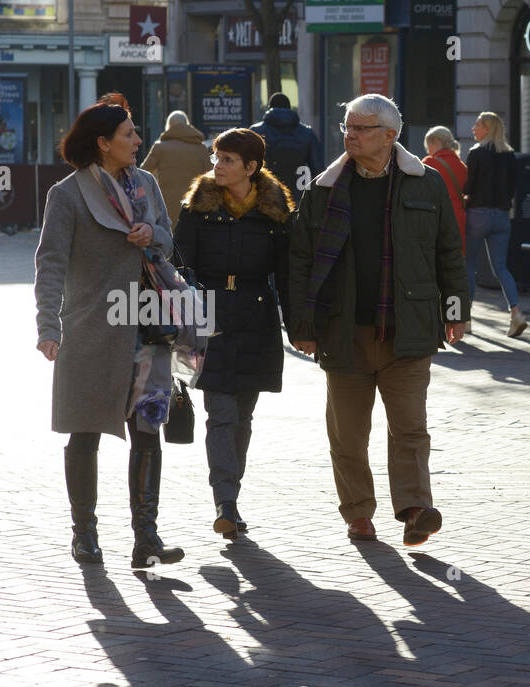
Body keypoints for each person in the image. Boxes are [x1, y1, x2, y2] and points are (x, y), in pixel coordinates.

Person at [288, 94, 468, 546]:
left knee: (410, 428)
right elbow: (300, 261)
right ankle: (358, 513)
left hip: (408, 330)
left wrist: (456, 311)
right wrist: (302, 328)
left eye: (362, 128)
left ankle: (414, 509)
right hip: (342, 330)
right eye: (347, 126)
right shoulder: (324, 188)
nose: (350, 135)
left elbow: (449, 251)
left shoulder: (426, 183)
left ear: (390, 135)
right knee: (349, 435)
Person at [34, 93, 186, 568]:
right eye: (129, 134)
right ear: (103, 143)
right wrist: (47, 324)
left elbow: (167, 235)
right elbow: (50, 263)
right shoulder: (66, 194)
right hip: (91, 329)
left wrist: (151, 235)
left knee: (147, 431)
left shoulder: (146, 184)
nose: (138, 141)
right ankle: (85, 534)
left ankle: (147, 536)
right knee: (85, 433)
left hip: (146, 326)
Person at [174, 127, 293, 538]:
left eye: (226, 159)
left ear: (251, 167)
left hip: (257, 320)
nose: (217, 165)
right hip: (210, 319)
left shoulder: (275, 214)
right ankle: (225, 501)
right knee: (221, 414)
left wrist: (301, 327)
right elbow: (178, 268)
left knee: (243, 416)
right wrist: (177, 324)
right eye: (216, 158)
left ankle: (231, 495)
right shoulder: (197, 207)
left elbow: (288, 274)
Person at [463, 111, 528, 337]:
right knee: (501, 267)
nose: (473, 128)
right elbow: (512, 188)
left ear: (487, 129)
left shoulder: (476, 153)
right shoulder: (510, 156)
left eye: (477, 124)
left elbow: (468, 187)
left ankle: (466, 319)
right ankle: (516, 312)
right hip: (502, 216)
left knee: (469, 266)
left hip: (478, 214)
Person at [139, 110, 211, 231]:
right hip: (195, 202)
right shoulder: (201, 148)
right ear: (187, 124)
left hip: (165, 204)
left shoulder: (160, 147)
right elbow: (210, 175)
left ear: (169, 126)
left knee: (170, 238)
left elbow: (143, 172)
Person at [250, 92, 323, 201]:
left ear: (269, 108)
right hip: (299, 195)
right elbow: (318, 170)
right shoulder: (307, 133)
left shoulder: (256, 131)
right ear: (290, 108)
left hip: (266, 195)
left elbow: (247, 166)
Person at [422, 125, 467, 252]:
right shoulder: (462, 166)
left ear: (436, 142)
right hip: (459, 222)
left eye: (428, 146)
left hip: (437, 221)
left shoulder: (429, 163)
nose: (428, 151)